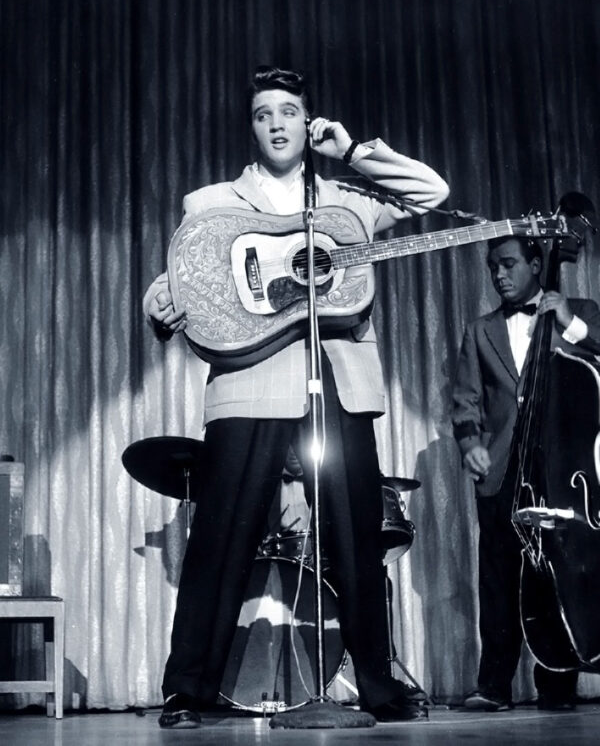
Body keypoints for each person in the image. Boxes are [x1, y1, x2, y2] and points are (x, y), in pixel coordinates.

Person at [144, 65, 449, 729]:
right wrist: (158, 302)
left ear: (307, 122)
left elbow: (431, 193)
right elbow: (180, 279)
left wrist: (353, 151)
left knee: (356, 538)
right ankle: (188, 689)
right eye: (263, 114)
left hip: (338, 376)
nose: (277, 123)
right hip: (249, 382)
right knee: (219, 536)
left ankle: (378, 688)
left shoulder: (347, 199)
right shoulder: (212, 202)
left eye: (288, 111)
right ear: (251, 127)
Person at [452, 235, 600, 712]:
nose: (499, 274)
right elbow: (466, 399)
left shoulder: (581, 311)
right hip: (501, 468)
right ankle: (492, 686)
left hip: (561, 469)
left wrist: (570, 324)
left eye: (509, 264)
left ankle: (556, 685)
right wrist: (471, 443)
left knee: (556, 575)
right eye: (493, 267)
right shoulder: (480, 329)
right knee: (498, 579)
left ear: (538, 264)